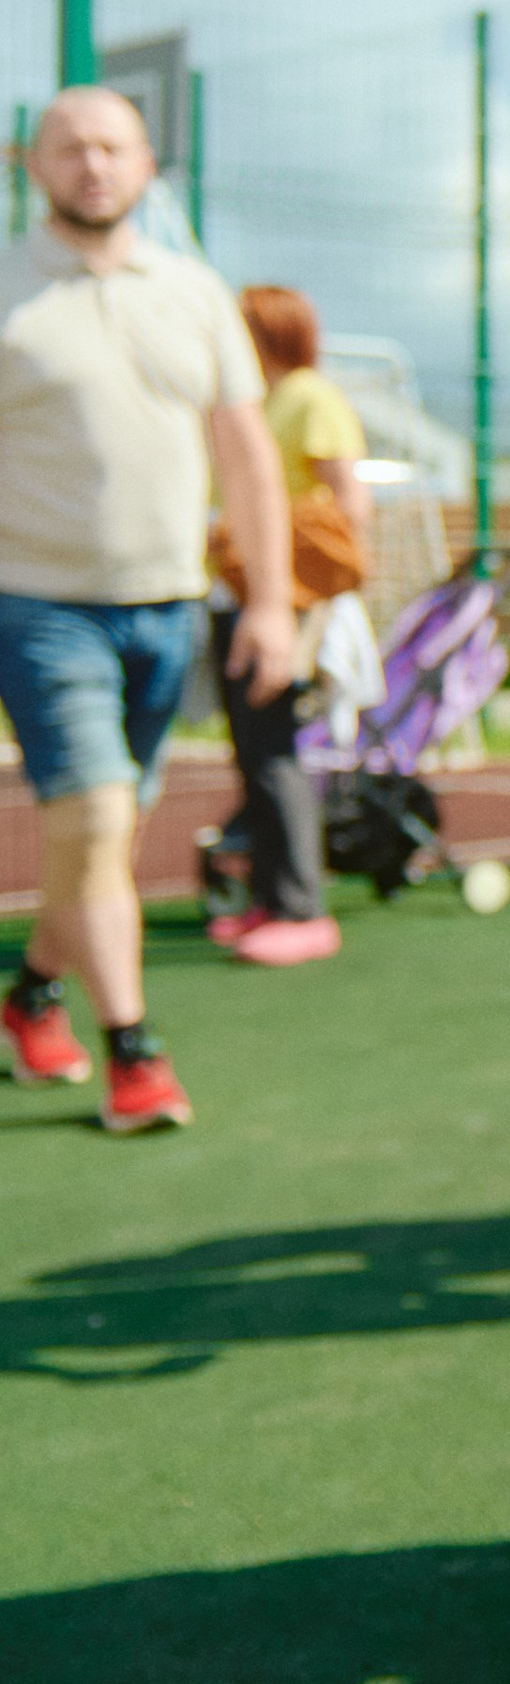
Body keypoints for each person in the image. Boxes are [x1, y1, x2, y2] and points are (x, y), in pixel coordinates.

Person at [0, 87, 294, 1129]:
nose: (93, 164)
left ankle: (32, 991)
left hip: (165, 611)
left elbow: (248, 456)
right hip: (40, 608)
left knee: (102, 846)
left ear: (145, 165)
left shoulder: (193, 290)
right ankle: (136, 1052)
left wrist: (270, 603)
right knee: (93, 818)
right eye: (70, 147)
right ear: (29, 165)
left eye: (113, 146)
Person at [208, 284, 372, 967]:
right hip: (239, 589)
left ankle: (302, 906)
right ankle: (271, 899)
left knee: (275, 748)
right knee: (252, 748)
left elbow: (349, 502)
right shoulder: (256, 402)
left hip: (289, 597)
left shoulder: (308, 395)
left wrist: (317, 603)